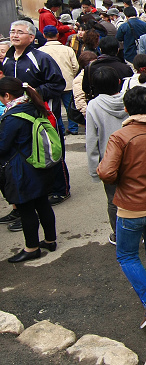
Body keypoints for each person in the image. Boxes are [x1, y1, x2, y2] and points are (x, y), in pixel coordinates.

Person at [97, 87, 146, 328]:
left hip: (131, 206)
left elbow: (106, 172)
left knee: (127, 254)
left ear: (127, 109)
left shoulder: (120, 137)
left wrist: (125, 179)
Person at [4, 20, 70, 205]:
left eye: (19, 32)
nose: (14, 35)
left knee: (52, 149)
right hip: (19, 116)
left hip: (44, 113)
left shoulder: (41, 58)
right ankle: (40, 189)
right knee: (30, 151)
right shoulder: (8, 60)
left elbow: (58, 84)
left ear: (31, 37)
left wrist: (34, 93)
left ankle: (61, 188)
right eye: (12, 31)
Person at [0, 78, 58, 262]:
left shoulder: (13, 117)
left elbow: (3, 146)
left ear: (7, 95)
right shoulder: (33, 105)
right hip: (39, 164)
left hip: (22, 169)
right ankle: (50, 240)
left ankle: (31, 248)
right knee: (42, 204)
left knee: (26, 210)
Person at [85, 66, 128, 245]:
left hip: (109, 160)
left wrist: (95, 169)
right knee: (135, 195)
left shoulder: (94, 105)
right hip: (133, 158)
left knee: (114, 200)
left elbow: (91, 140)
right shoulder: (129, 99)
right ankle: (138, 232)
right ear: (118, 81)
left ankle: (119, 235)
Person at [39, 25, 80, 136]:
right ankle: (73, 127)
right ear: (57, 35)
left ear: (44, 35)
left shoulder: (40, 51)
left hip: (50, 85)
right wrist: (71, 76)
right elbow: (75, 66)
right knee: (70, 107)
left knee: (54, 109)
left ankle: (59, 129)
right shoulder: (67, 49)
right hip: (67, 82)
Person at [83, 36, 134, 101]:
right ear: (118, 50)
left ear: (100, 49)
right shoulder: (125, 68)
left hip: (98, 103)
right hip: (120, 103)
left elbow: (85, 88)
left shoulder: (90, 67)